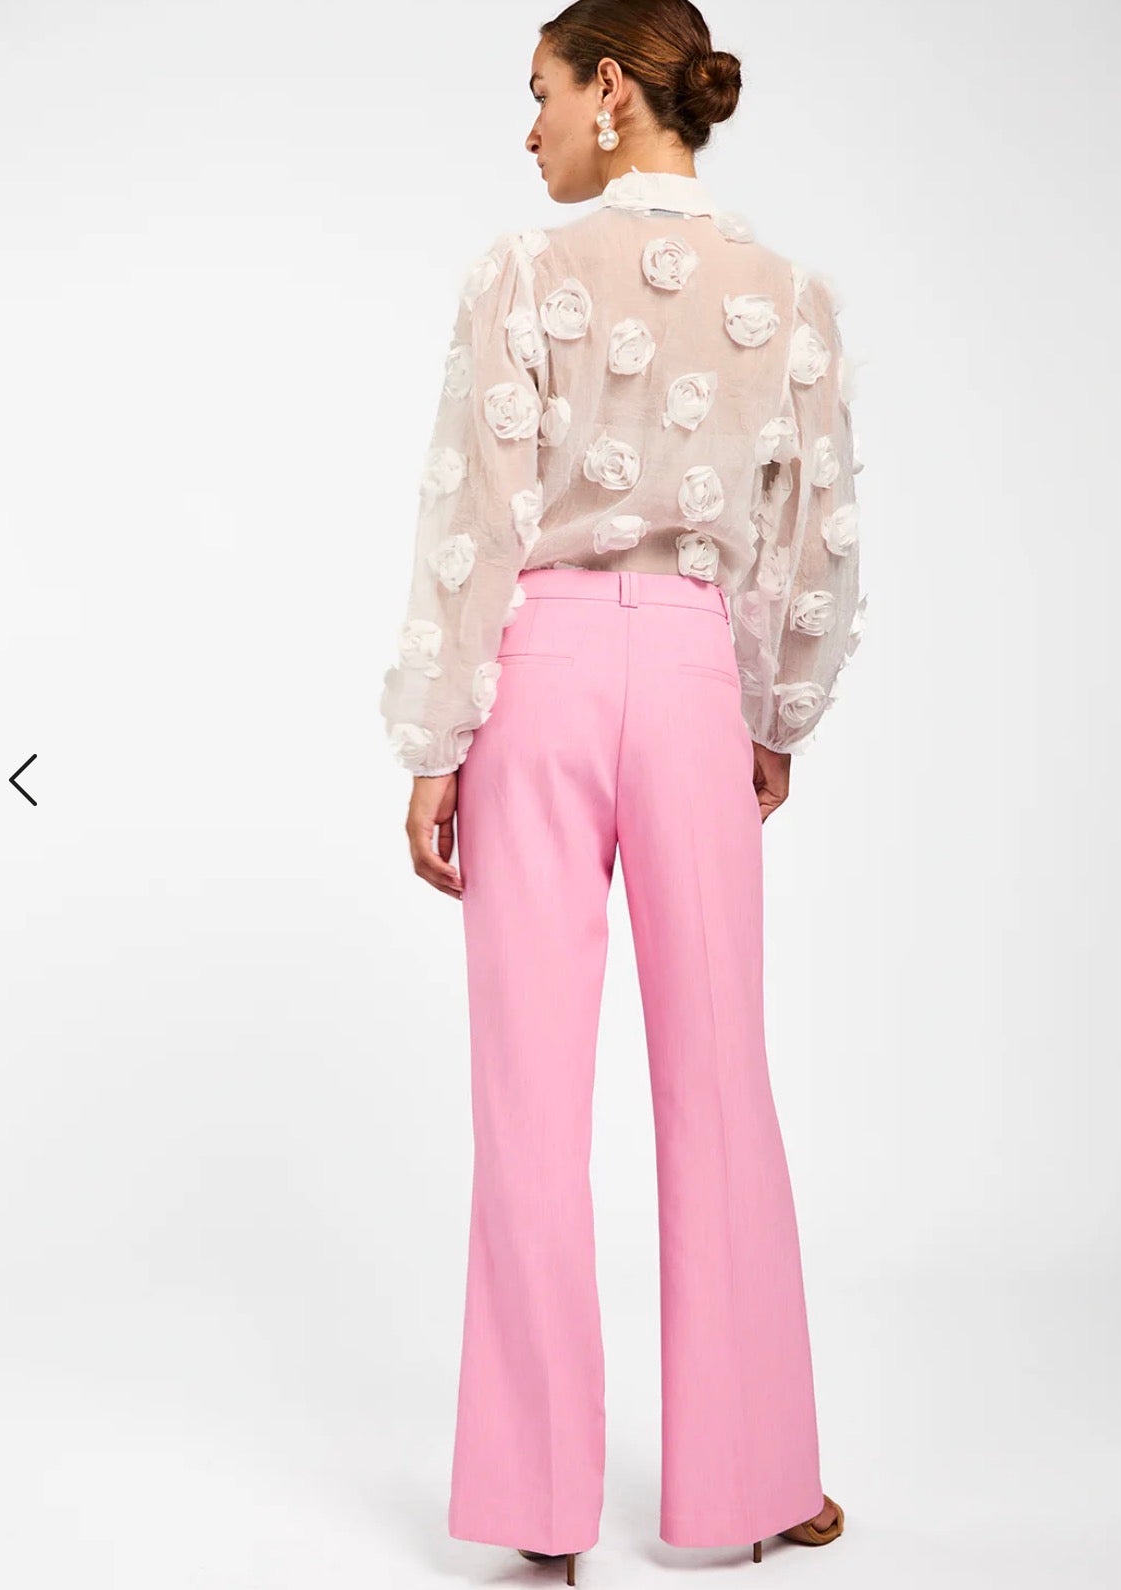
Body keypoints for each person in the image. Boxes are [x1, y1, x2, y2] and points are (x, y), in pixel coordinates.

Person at [379, 1, 865, 1579]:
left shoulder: (521, 274)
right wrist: (774, 709)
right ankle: (753, 1479)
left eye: (538, 93)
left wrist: (437, 737)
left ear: (607, 88)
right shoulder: (788, 295)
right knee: (719, 1075)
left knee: (527, 1091)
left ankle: (537, 1510)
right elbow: (811, 535)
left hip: (540, 668)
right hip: (697, 672)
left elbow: (473, 509)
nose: (525, 129)